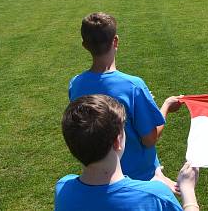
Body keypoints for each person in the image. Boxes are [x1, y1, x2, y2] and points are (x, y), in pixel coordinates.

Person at [69, 13, 182, 190]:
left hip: (99, 175)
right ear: (116, 41)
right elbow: (149, 139)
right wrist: (166, 106)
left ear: (85, 45)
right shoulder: (133, 86)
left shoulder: (76, 85)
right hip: (140, 177)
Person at [55, 94, 200, 211]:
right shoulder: (157, 197)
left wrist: (147, 187)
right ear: (117, 142)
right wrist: (187, 190)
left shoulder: (63, 189)